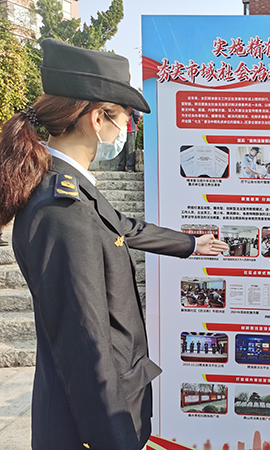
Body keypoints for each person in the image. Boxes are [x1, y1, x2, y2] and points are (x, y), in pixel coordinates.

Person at [0, 39, 228, 450]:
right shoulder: (62, 208)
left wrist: (192, 244)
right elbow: (84, 342)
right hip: (90, 424)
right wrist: (115, 438)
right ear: (97, 119)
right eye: (126, 117)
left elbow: (121, 226)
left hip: (97, 406)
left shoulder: (72, 188)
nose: (127, 128)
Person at [117, 108, 141, 172]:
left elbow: (137, 115)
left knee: (130, 149)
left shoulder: (131, 105)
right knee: (121, 148)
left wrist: (134, 122)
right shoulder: (119, 105)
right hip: (121, 129)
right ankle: (121, 166)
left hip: (130, 129)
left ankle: (130, 167)